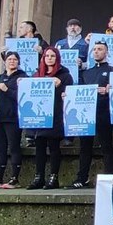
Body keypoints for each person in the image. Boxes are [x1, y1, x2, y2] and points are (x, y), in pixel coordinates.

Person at [70, 41, 113, 189]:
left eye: (100, 49)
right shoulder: (86, 73)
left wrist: (110, 90)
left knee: (106, 146)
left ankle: (110, 177)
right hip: (87, 114)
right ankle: (82, 178)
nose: (96, 51)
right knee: (85, 147)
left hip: (104, 113)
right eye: (95, 49)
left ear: (106, 52)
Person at [28, 47, 73, 189]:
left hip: (56, 115)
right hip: (39, 116)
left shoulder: (65, 76)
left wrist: (60, 87)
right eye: (47, 56)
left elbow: (70, 95)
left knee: (54, 147)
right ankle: (39, 177)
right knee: (39, 147)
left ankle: (54, 177)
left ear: (57, 58)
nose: (49, 58)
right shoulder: (37, 75)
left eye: (52, 56)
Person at [0, 51, 27, 189]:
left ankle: (15, 179)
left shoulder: (23, 78)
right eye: (9, 59)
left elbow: (23, 97)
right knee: (0, 149)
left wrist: (6, 89)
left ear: (18, 62)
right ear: (5, 61)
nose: (12, 61)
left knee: (14, 147)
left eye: (14, 59)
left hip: (13, 118)